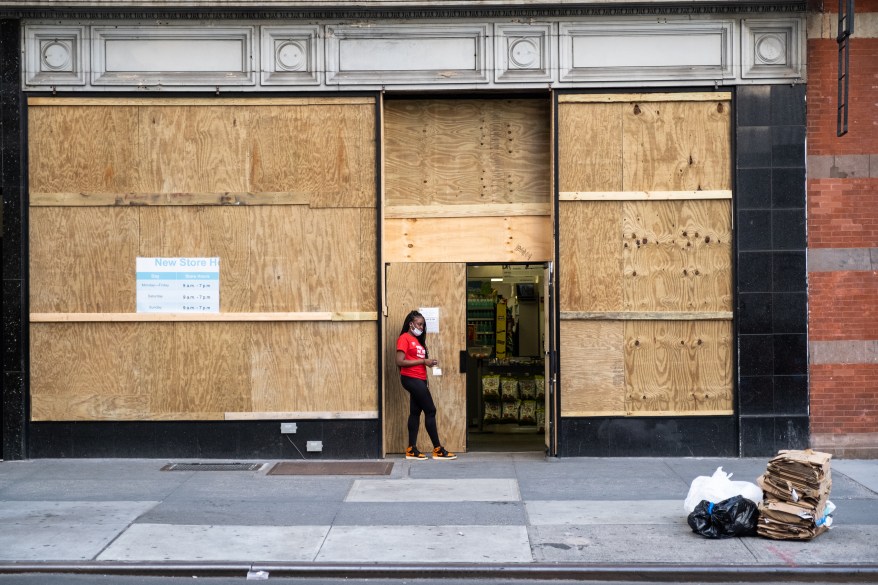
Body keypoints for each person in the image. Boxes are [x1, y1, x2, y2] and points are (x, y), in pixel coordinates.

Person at [395, 310, 457, 460]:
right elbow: (399, 361)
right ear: (411, 324)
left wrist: (428, 363)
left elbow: (414, 359)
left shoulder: (418, 341)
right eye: (419, 324)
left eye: (423, 325)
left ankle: (411, 449)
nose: (421, 327)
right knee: (431, 410)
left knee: (415, 412)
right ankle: (438, 449)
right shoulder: (404, 338)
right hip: (411, 379)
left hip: (419, 379)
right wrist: (423, 361)